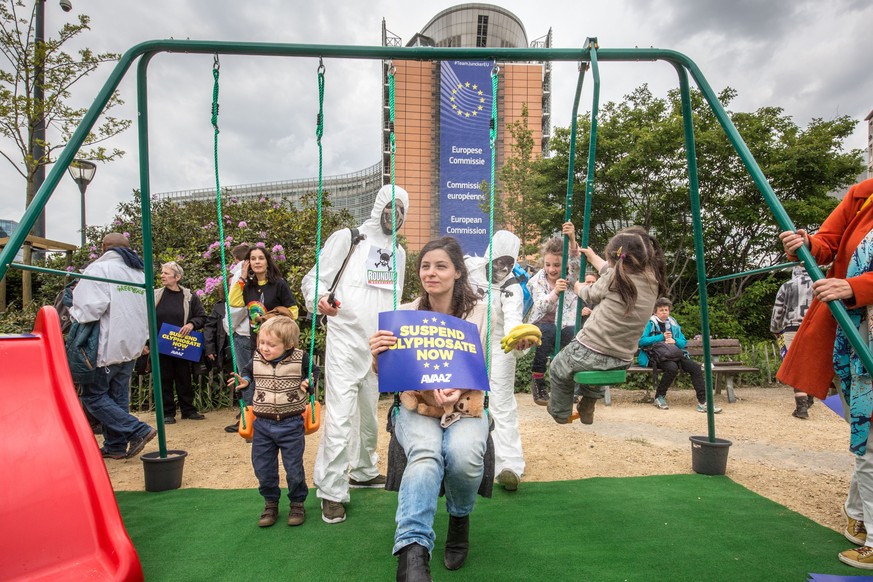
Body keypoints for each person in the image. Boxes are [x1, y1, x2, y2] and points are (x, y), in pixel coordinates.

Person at [369, 236, 490, 581]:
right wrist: (377, 355)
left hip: (465, 405)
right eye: (425, 266)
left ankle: (459, 517)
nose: (431, 273)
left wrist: (460, 388)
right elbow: (387, 374)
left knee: (464, 455)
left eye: (440, 266)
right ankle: (412, 555)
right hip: (417, 405)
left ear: (457, 272)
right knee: (426, 453)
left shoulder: (479, 313)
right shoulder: (404, 314)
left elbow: (488, 365)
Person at [776, 178, 873, 570]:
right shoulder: (864, 193)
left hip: (856, 308)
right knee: (866, 433)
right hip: (858, 336)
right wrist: (808, 246)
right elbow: (827, 243)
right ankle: (861, 517)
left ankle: (862, 517)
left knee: (870, 441)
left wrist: (854, 286)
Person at [301, 184, 409, 524]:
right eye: (392, 208)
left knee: (369, 414)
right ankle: (331, 490)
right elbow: (314, 279)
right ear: (379, 206)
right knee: (341, 416)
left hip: (379, 346)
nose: (397, 217)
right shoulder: (349, 239)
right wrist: (319, 298)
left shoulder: (400, 253)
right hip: (345, 341)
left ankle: (363, 470)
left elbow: (396, 299)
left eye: (403, 212)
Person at [547, 226, 667, 425]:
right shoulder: (652, 279)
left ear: (619, 261)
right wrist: (593, 257)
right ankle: (588, 403)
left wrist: (575, 284)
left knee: (559, 366)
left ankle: (560, 412)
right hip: (623, 357)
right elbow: (613, 270)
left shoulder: (613, 278)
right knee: (595, 369)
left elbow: (589, 294)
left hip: (591, 348)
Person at [71, 233, 156, 459]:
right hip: (131, 345)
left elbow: (89, 310)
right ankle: (115, 446)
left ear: (103, 247)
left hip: (106, 345)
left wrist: (71, 310)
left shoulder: (99, 270)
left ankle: (138, 430)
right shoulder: (139, 273)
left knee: (93, 396)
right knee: (117, 396)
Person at [464, 230, 534, 492]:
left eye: (508, 263)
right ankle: (472, 457)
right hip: (467, 341)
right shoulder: (469, 271)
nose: (502, 268)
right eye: (498, 261)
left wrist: (518, 339)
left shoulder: (512, 287)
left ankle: (510, 465)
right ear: (489, 256)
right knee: (466, 401)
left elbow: (513, 321)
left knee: (502, 403)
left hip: (498, 346)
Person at [229, 316, 315, 528]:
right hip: (263, 424)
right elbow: (248, 372)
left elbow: (314, 372)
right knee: (263, 468)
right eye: (262, 342)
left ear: (289, 345)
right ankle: (270, 503)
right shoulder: (257, 357)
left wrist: (308, 380)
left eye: (271, 344)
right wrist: (245, 381)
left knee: (293, 469)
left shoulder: (300, 357)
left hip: (291, 423)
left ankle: (297, 503)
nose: (264, 348)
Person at [526, 222, 582, 405]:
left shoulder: (570, 278)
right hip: (542, 322)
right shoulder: (537, 281)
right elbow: (541, 306)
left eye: (557, 265)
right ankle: (538, 381)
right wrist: (555, 293)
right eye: (548, 264)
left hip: (564, 323)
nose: (552, 269)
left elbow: (576, 263)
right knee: (546, 333)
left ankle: (567, 385)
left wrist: (572, 239)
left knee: (573, 338)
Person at [638, 297, 722, 413]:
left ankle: (703, 402)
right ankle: (659, 397)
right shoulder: (650, 323)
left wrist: (674, 341)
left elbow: (683, 342)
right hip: (656, 355)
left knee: (695, 367)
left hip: (674, 354)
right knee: (672, 368)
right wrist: (661, 337)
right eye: (661, 310)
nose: (664, 313)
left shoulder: (673, 324)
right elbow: (641, 342)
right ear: (655, 312)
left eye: (666, 310)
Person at [154, 261, 207, 423]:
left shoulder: (190, 297)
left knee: (184, 377)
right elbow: (144, 318)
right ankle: (167, 412)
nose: (162, 276)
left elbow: (201, 317)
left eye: (166, 273)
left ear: (177, 277)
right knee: (164, 377)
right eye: (162, 273)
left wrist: (191, 324)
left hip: (182, 344)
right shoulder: (155, 295)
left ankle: (188, 410)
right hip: (161, 344)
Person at [769, 265, 815, 419]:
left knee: (797, 365)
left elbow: (778, 310)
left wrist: (775, 329)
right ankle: (810, 395)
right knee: (811, 363)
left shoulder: (787, 286)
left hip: (792, 328)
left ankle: (801, 407)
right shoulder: (820, 283)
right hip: (815, 327)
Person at [224, 243, 253, 432]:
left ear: (236, 259)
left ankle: (248, 417)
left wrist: (229, 327)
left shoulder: (240, 274)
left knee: (246, 375)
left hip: (243, 332)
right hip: (254, 331)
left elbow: (237, 307)